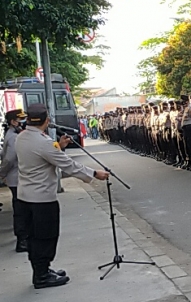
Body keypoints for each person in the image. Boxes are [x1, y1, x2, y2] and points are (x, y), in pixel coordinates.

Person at [15, 103, 109, 289]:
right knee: (46, 237)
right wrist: (94, 174)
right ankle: (41, 276)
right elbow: (69, 165)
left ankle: (42, 270)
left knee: (34, 237)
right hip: (42, 199)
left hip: (25, 197)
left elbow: (42, 155)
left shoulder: (22, 137)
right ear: (47, 120)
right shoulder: (43, 143)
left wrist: (59, 145)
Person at [0, 109, 29, 252]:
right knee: (20, 210)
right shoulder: (13, 137)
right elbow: (9, 158)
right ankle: (22, 240)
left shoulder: (13, 134)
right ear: (13, 122)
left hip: (17, 177)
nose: (23, 123)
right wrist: (2, 173)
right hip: (16, 177)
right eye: (20, 120)